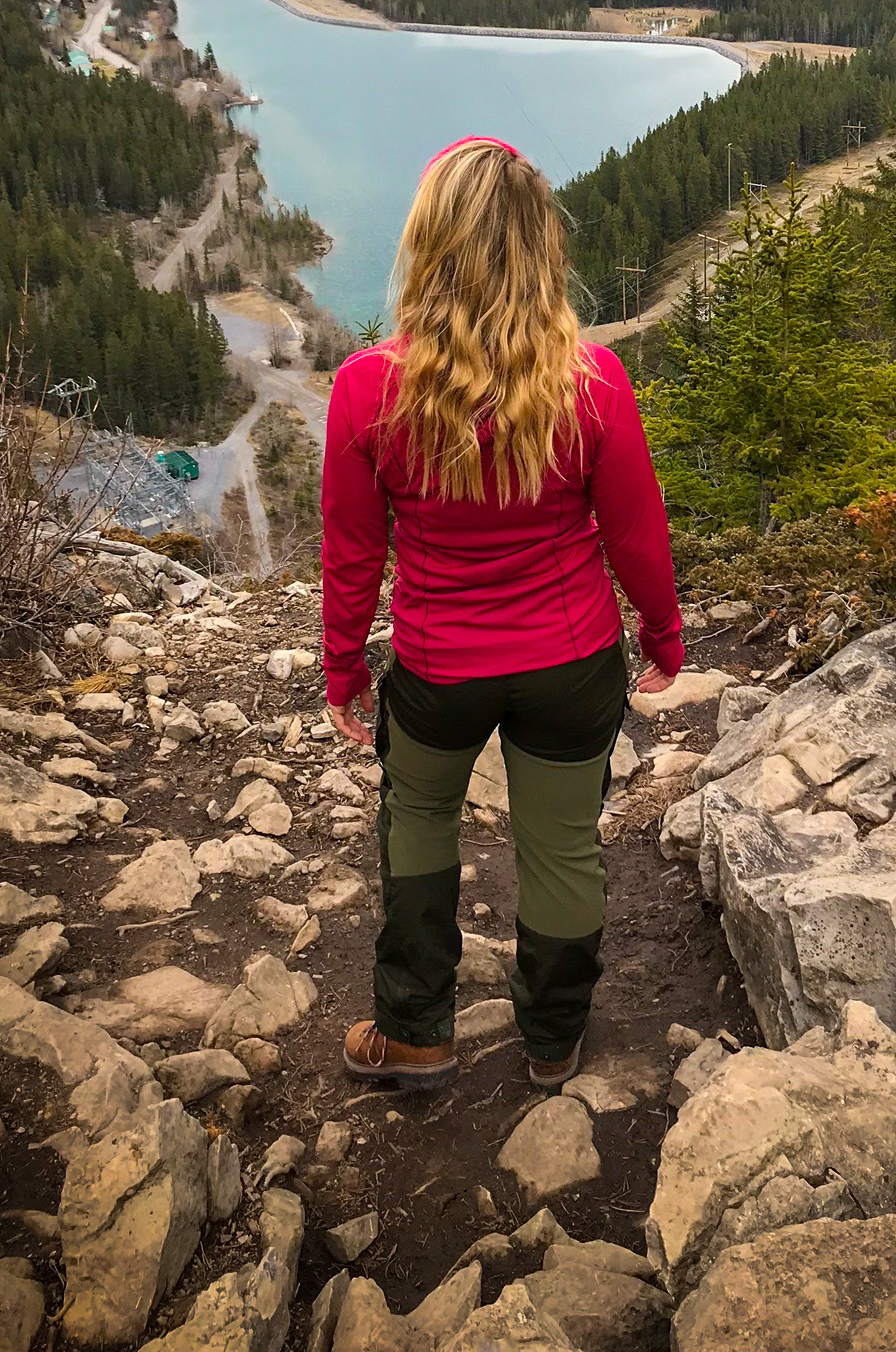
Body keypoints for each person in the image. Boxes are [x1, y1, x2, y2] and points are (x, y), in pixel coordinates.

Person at [320, 135, 683, 1091]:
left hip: (439, 668)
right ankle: (554, 1042)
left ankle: (415, 1034)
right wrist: (666, 635)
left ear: (430, 241)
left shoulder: (370, 387)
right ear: (540, 246)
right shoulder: (594, 382)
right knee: (561, 845)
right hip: (572, 663)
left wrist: (343, 669)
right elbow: (636, 535)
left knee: (419, 823)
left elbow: (353, 552)